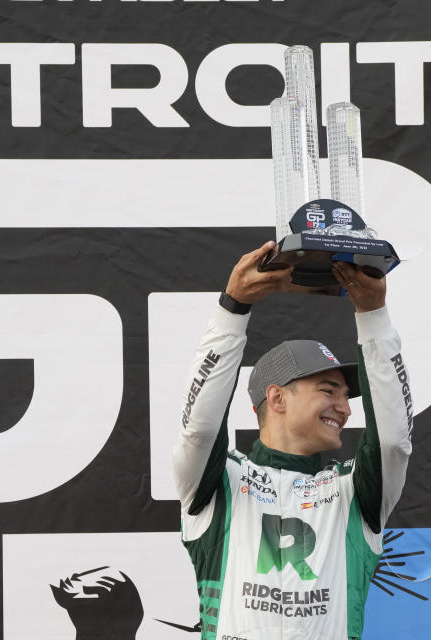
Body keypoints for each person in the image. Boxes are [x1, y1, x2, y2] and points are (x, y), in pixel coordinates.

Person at [172, 241, 414, 640]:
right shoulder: (220, 483)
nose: (345, 408)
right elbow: (198, 428)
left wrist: (374, 317)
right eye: (328, 390)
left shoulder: (352, 491)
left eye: (345, 395)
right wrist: (232, 310)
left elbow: (393, 442)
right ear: (278, 397)